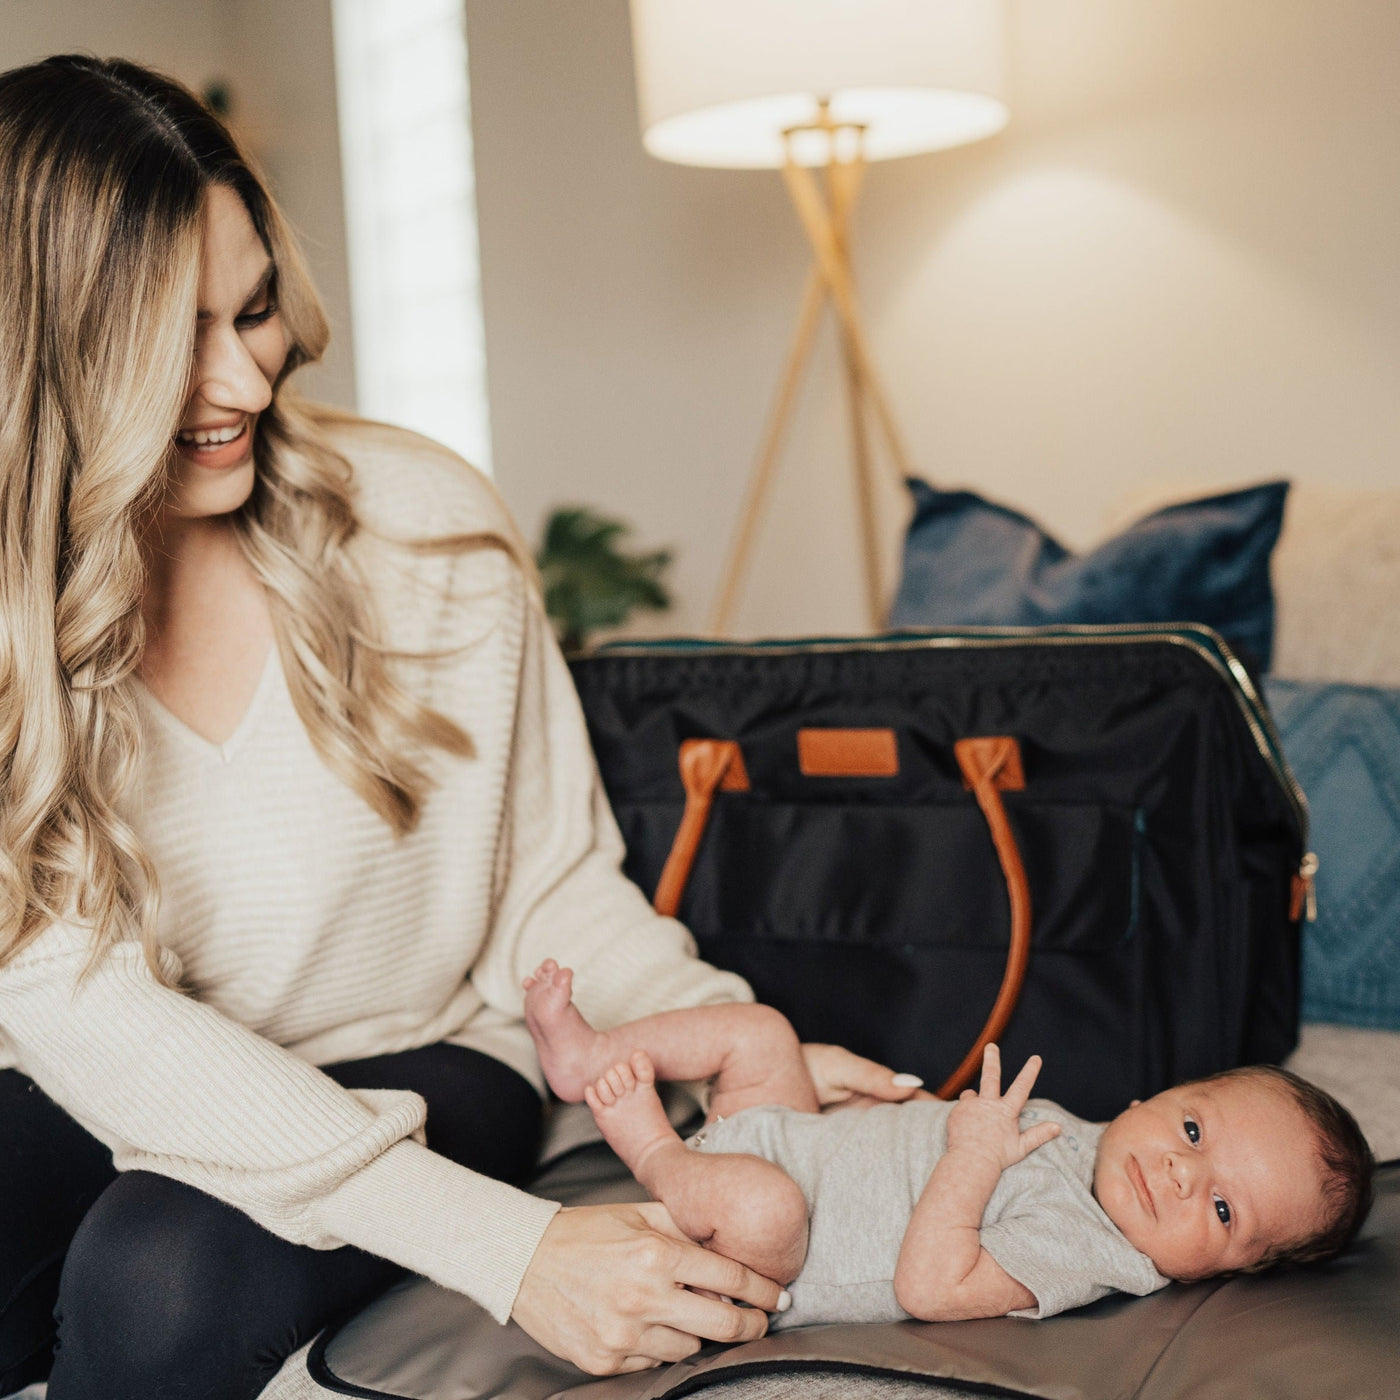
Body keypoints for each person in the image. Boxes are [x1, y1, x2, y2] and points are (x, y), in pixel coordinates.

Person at [0, 55, 922, 1400]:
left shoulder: (424, 529)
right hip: (112, 1076)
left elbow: (546, 889)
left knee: (160, 1278)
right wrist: (520, 1253)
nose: (247, 384)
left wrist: (722, 1042)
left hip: (434, 1054)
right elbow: (82, 1019)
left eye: (252, 310)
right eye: (170, 344)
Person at [523, 960, 1377, 1325]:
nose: (1181, 1174)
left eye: (1224, 1208)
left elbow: (931, 1285)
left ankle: (653, 1151)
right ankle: (589, 1056)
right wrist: (918, 1113)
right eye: (1192, 1130)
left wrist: (972, 1154)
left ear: (1231, 1268)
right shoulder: (1088, 1140)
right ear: (1153, 1094)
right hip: (802, 1136)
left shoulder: (1087, 1251)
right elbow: (931, 1139)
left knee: (761, 1201)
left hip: (766, 1256)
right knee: (762, 1032)